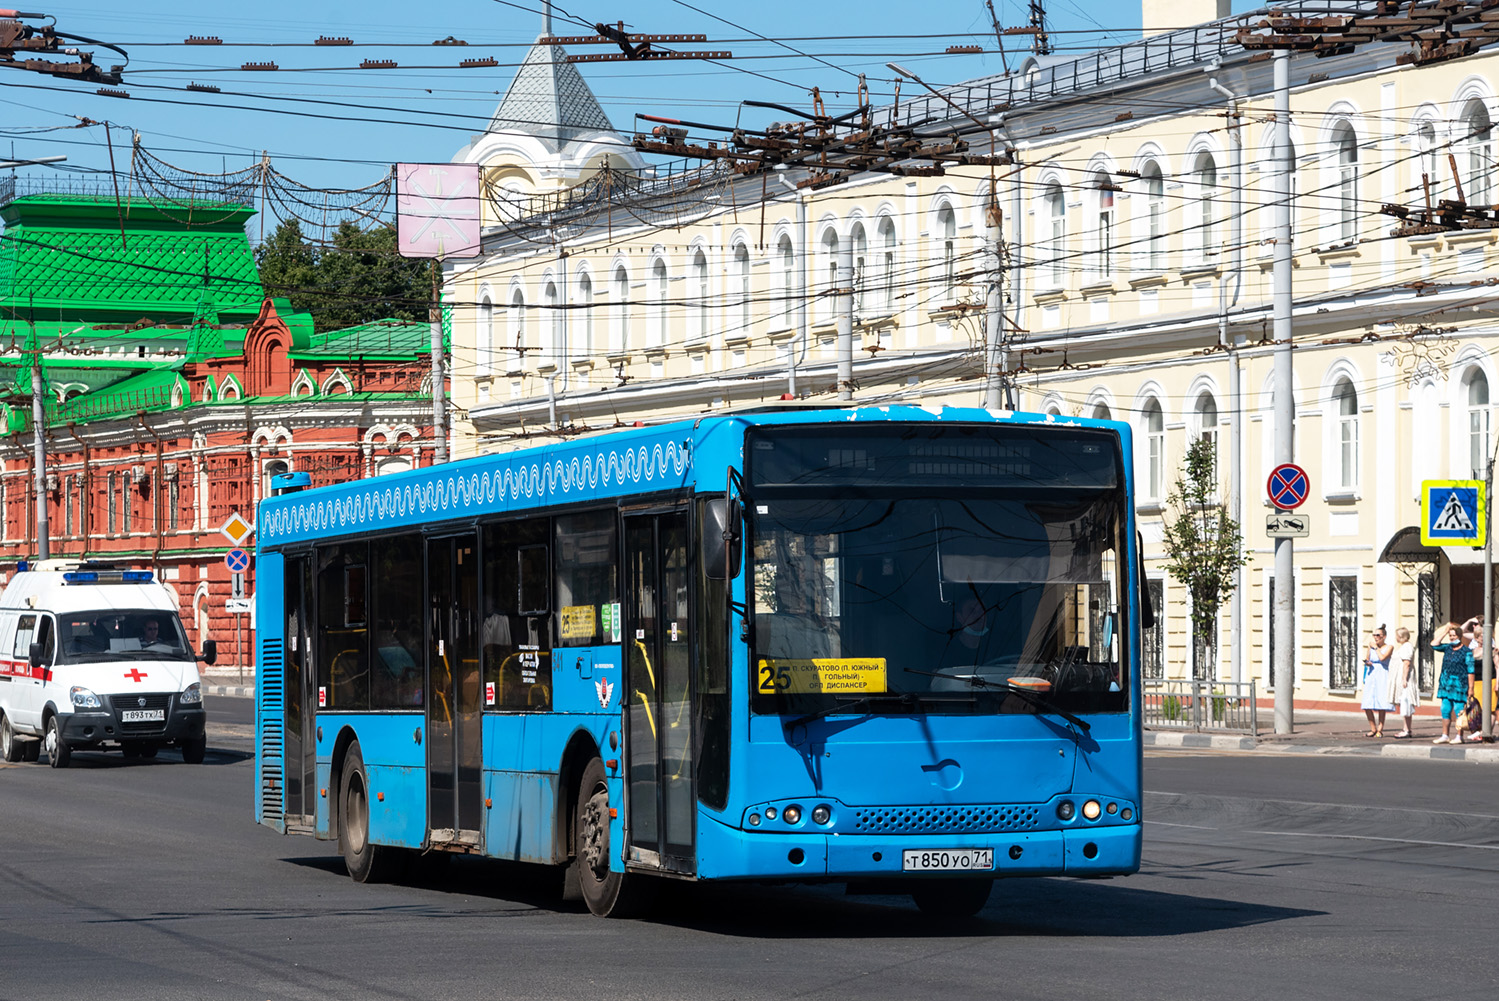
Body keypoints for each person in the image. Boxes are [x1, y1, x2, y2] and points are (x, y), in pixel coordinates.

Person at [1431, 622, 1475, 744]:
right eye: (1450, 636)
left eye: (1454, 635)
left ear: (1460, 636)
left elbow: (1471, 671)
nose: (1452, 638)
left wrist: (1471, 688)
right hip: (1446, 684)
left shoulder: (1466, 651)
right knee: (1445, 709)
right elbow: (1434, 644)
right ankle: (1445, 735)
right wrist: (1445, 632)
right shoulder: (1447, 648)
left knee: (1458, 710)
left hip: (1460, 685)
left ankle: (1459, 736)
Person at [1360, 625, 1394, 737]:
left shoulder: (1389, 647)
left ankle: (1380, 729)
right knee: (1367, 702)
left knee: (1381, 703)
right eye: (1374, 635)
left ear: (1384, 636)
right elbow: (1368, 658)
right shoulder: (1371, 646)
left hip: (1382, 674)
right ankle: (1372, 728)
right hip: (1371, 674)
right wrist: (1367, 662)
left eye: (1378, 635)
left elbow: (1382, 658)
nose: (1375, 637)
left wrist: (1375, 648)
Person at [1390, 626, 1418, 739]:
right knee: (1404, 704)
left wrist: (1404, 679)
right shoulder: (1404, 646)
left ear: (1401, 636)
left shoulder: (1407, 647)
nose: (1396, 637)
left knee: (1406, 703)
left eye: (1397, 635)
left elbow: (1406, 663)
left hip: (1405, 680)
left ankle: (1406, 729)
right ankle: (1406, 728)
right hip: (1402, 679)